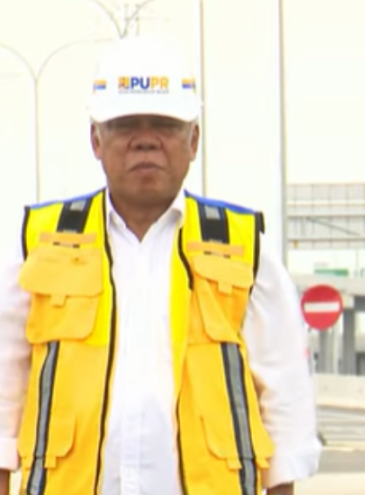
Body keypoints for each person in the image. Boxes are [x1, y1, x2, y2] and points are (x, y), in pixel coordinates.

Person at [0, 35, 321, 495]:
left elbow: (285, 404)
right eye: (126, 124)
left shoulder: (245, 250)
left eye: (165, 125)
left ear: (193, 140)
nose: (145, 140)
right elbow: (3, 393)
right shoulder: (37, 243)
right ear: (95, 138)